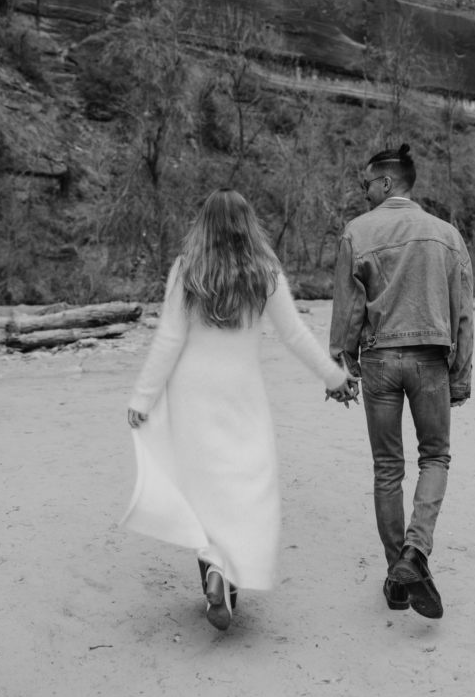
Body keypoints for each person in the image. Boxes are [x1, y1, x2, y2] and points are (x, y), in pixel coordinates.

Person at [121, 188, 354, 631]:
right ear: (249, 224)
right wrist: (333, 377)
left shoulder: (187, 270)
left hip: (192, 394)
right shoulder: (265, 271)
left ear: (204, 224)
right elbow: (294, 335)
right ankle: (225, 575)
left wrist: (142, 398)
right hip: (241, 394)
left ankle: (213, 569)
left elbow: (169, 339)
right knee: (249, 486)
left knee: (202, 488)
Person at [329, 143, 473, 619]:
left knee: (387, 468)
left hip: (380, 362)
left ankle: (397, 574)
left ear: (387, 183)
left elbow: (348, 310)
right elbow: (463, 312)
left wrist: (342, 366)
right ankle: (416, 553)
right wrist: (461, 375)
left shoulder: (358, 231)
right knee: (436, 456)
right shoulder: (447, 235)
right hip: (432, 360)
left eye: (367, 183)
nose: (363, 190)